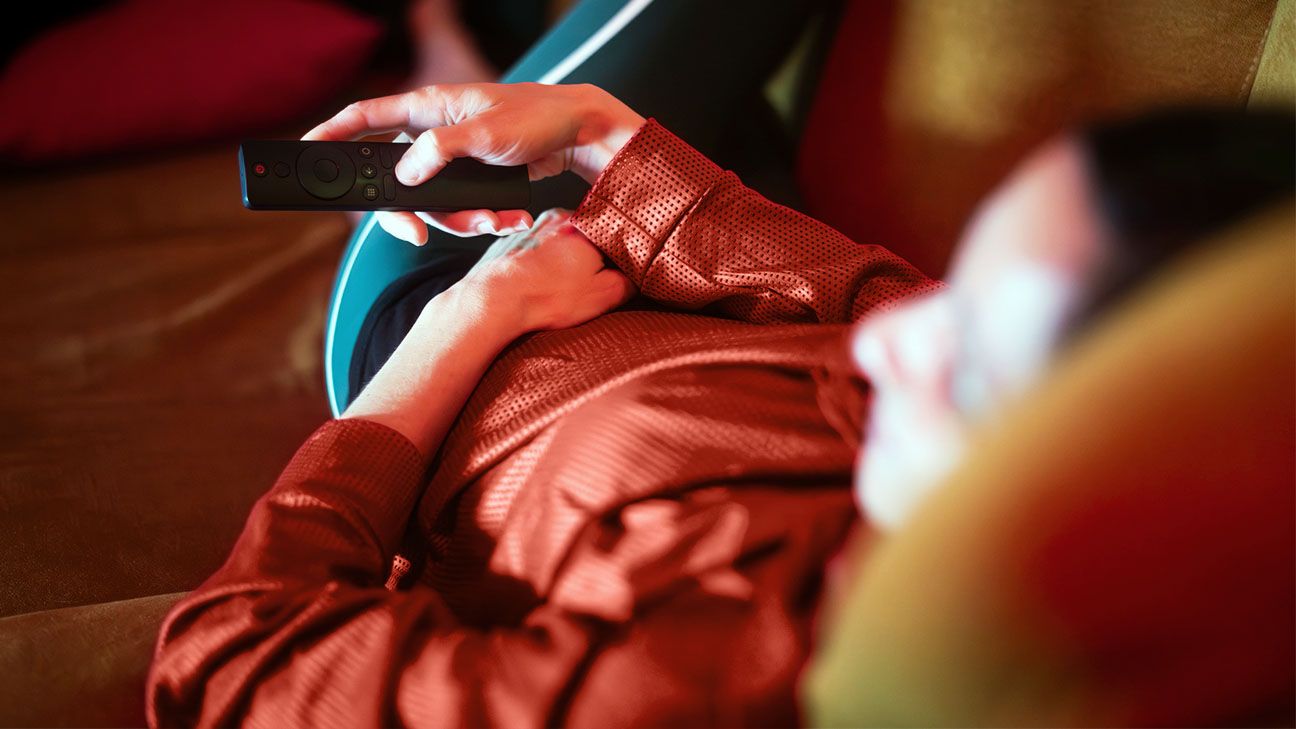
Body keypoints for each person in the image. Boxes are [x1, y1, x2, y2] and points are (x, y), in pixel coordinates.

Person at [144, 80, 1293, 726]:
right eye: (964, 286)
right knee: (684, 101)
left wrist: (465, 330)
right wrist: (602, 130)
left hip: (448, 353)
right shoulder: (956, 416)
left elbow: (228, 665)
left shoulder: (701, 678)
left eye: (976, 362)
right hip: (639, 257)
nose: (892, 338)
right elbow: (869, 292)